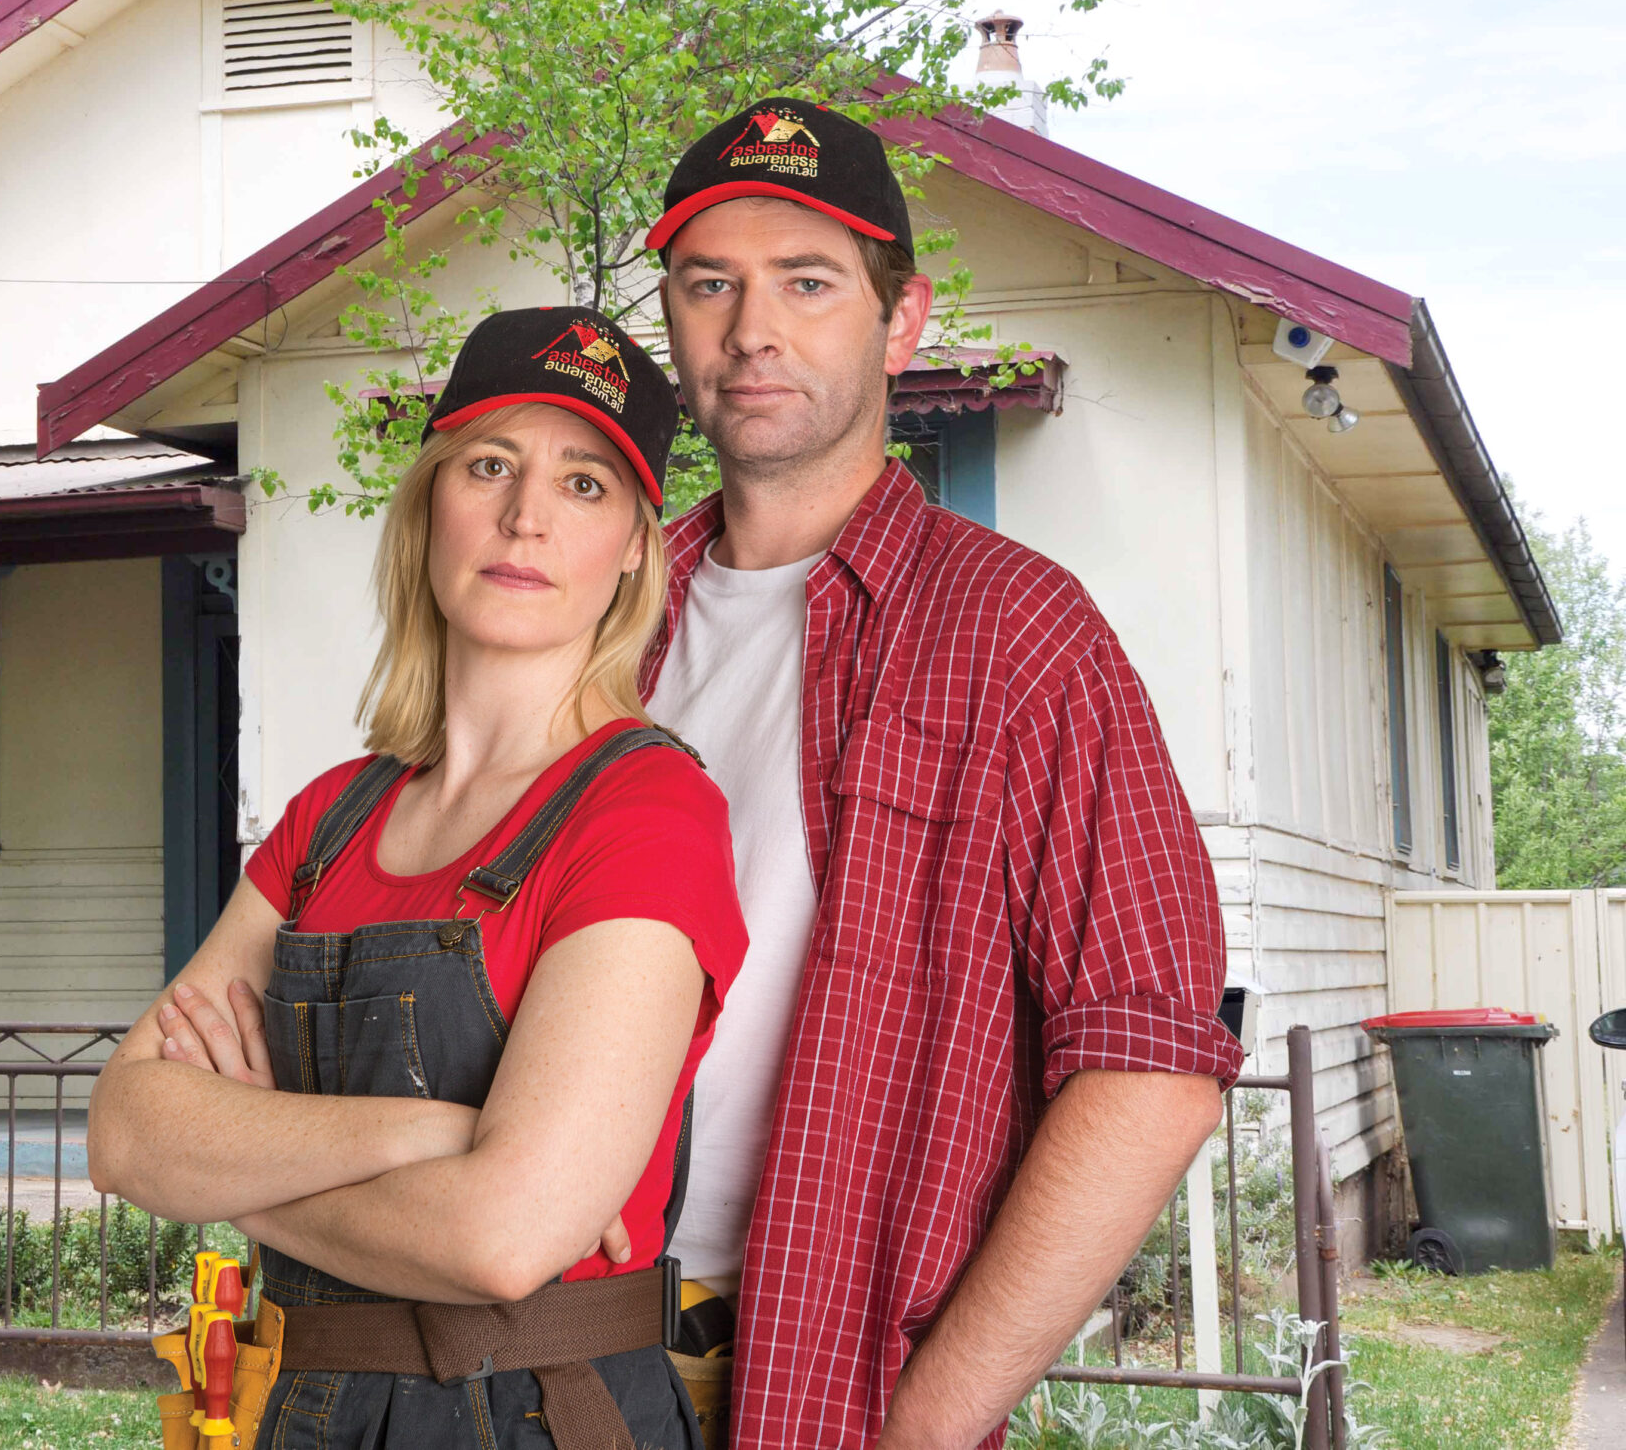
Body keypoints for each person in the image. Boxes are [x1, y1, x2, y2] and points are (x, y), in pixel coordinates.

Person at [637, 96, 1244, 1450]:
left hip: (809, 1362)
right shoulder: (608, 621)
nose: (753, 331)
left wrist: (928, 1426)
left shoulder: (1017, 633)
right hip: (547, 1350)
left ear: (899, 323)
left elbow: (1151, 1062)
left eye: (808, 282)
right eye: (708, 285)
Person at [87, 305, 747, 1450]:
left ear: (636, 543)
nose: (526, 516)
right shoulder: (330, 818)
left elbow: (505, 1236)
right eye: (489, 465)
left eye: (584, 484)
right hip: (292, 1412)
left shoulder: (645, 811)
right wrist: (436, 1134)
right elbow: (127, 1133)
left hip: (533, 1415)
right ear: (430, 502)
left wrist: (233, 1158)